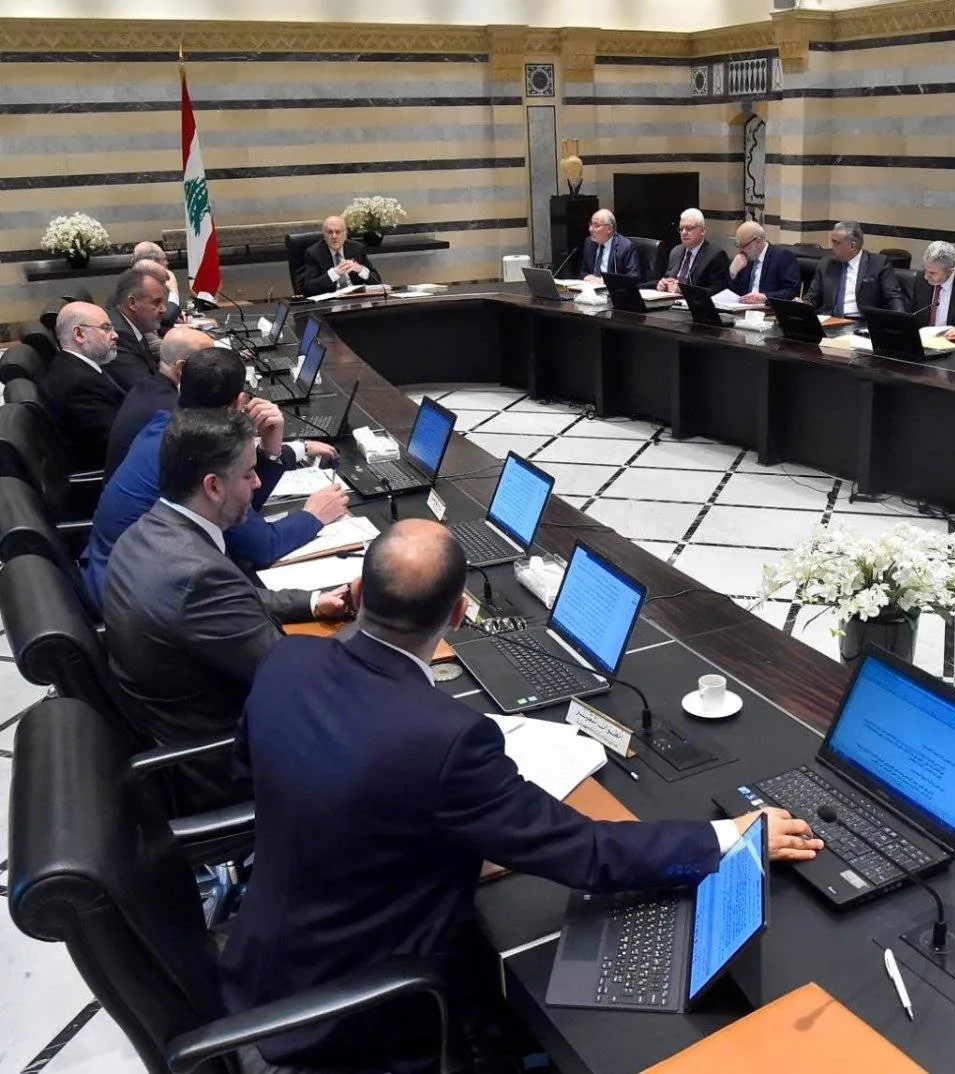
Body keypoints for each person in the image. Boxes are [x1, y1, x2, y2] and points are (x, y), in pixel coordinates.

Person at [220, 519, 821, 1071]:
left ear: (359, 588)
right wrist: (730, 834)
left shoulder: (288, 658)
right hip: (340, 1021)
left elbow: (259, 771)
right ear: (458, 613)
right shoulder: (445, 740)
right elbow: (585, 851)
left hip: (256, 965)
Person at [102, 409, 353, 810]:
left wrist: (311, 602)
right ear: (213, 486)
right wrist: (381, 617)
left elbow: (229, 602)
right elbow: (295, 677)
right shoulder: (198, 576)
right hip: (220, 762)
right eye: (249, 473)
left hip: (175, 723)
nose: (257, 483)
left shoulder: (148, 531)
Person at [82, 349, 346, 613]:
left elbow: (243, 504)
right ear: (238, 403)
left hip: (110, 571)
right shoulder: (198, 455)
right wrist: (314, 515)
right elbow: (263, 545)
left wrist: (271, 452)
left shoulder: (166, 424)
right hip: (136, 599)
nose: (253, 481)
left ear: (181, 385)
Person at [103, 325, 213, 479]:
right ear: (181, 367)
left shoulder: (147, 385)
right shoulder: (171, 413)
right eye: (210, 362)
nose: (217, 368)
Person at [41, 301, 126, 472]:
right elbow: (119, 442)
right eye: (106, 328)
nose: (115, 335)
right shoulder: (79, 384)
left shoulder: (74, 366)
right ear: (79, 334)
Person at [801, 221, 907, 317]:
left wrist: (900, 323)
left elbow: (893, 299)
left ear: (852, 246)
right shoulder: (826, 263)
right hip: (829, 321)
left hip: (861, 324)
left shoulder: (878, 264)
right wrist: (802, 305)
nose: (831, 246)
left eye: (836, 242)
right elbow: (812, 297)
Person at [105, 266, 169, 390]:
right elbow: (145, 390)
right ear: (132, 303)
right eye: (156, 302)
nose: (164, 310)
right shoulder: (118, 336)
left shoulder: (133, 326)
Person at [301, 215, 383, 296]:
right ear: (324, 235)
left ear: (345, 234)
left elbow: (378, 281)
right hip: (330, 302)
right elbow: (308, 288)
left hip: (356, 299)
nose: (334, 236)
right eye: (330, 232)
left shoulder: (357, 248)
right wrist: (335, 272)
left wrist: (360, 270)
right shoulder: (314, 253)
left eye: (338, 232)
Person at [657, 208, 731, 294]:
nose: (684, 232)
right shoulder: (675, 251)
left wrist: (683, 290)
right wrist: (663, 284)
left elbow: (717, 291)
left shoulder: (716, 256)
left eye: (689, 228)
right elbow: (668, 278)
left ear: (702, 230)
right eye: (681, 229)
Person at [727, 220, 800, 304]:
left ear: (758, 242)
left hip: (768, 311)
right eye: (738, 246)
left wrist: (765, 297)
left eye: (743, 246)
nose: (740, 250)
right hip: (742, 309)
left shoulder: (782, 257)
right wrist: (732, 272)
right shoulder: (743, 259)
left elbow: (791, 291)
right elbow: (730, 293)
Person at [580, 209, 642, 283]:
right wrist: (586, 276)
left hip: (613, 291)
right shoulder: (589, 243)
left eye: (596, 225)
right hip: (591, 289)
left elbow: (633, 277)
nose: (590, 229)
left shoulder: (625, 247)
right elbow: (583, 270)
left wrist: (606, 281)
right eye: (591, 224)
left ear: (609, 229)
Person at [131, 241, 183, 327]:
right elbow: (166, 320)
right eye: (164, 259)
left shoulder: (137, 279)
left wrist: (177, 312)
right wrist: (174, 290)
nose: (167, 263)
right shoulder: (139, 286)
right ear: (154, 262)